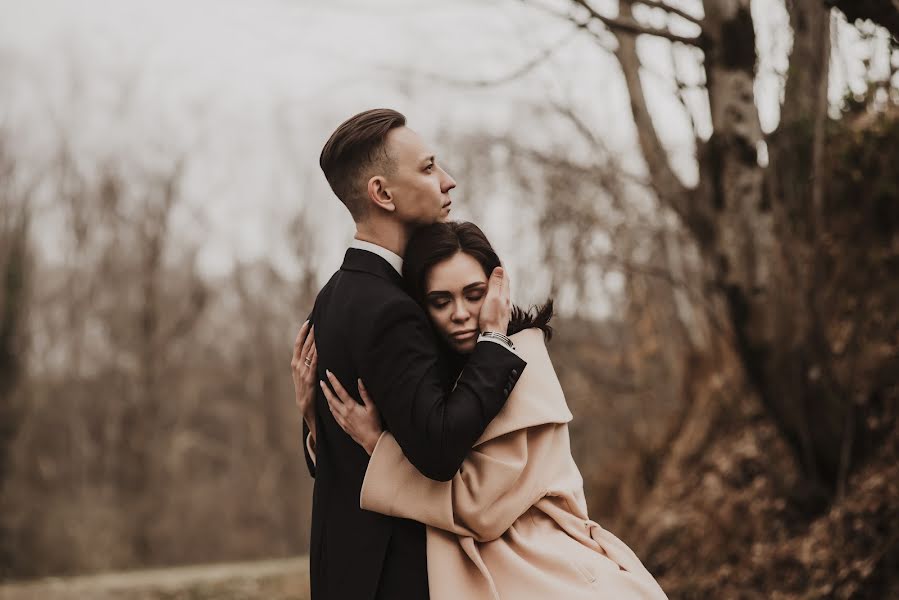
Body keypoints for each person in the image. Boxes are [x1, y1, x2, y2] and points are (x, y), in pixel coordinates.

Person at [296, 221, 669, 599]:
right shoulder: (446, 373)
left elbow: (480, 506)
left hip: (543, 563)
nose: (460, 313)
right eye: (441, 301)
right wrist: (317, 419)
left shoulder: (522, 361)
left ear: (497, 291)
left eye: (473, 295)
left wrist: (378, 445)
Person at [291, 109, 527, 600]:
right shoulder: (390, 309)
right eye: (427, 168)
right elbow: (438, 448)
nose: (448, 181)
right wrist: (494, 343)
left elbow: (352, 439)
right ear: (382, 194)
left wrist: (315, 429)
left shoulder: (334, 294)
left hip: (342, 569)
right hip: (392, 577)